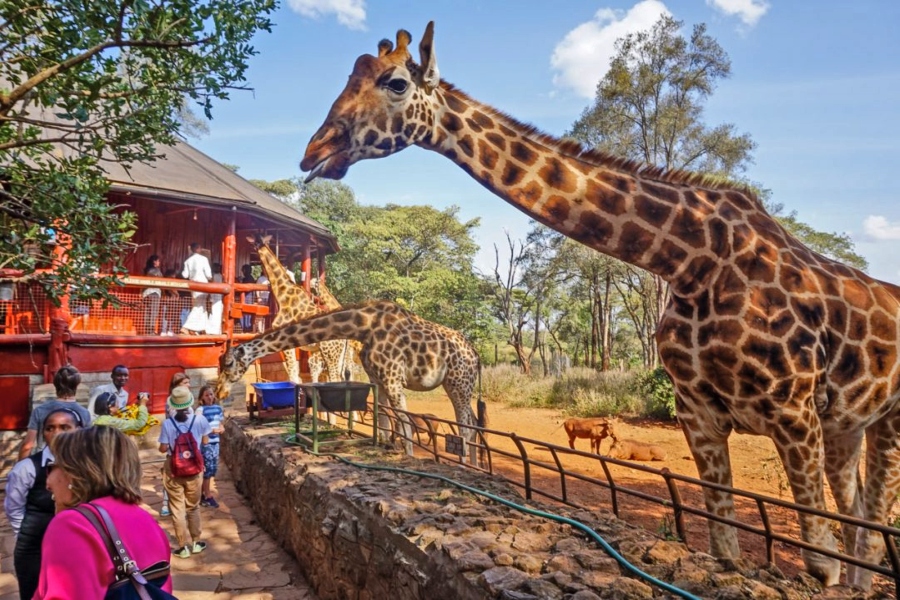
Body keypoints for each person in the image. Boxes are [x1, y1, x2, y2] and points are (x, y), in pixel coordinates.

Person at [33, 427, 173, 599]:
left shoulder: (71, 524)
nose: (48, 482)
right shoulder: (146, 520)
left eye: (52, 466)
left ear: (76, 473)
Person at [5, 407, 85, 600]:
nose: (56, 433)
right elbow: (14, 507)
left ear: (79, 430)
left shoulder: (88, 466)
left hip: (78, 544)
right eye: (50, 428)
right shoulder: (27, 468)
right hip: (34, 547)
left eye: (65, 427)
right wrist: (26, 533)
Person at [158, 386, 212, 559]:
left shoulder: (168, 423)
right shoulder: (200, 420)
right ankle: (196, 542)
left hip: (174, 469)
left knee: (177, 508)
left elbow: (163, 448)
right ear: (190, 402)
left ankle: (183, 547)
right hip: (194, 469)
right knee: (193, 507)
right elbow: (205, 441)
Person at [17, 365, 92, 460]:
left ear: (55, 384)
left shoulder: (40, 410)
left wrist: (20, 467)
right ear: (77, 385)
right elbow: (87, 445)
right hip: (72, 463)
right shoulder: (84, 413)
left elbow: (27, 446)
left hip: (44, 464)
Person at [159, 373, 193, 517]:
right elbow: (176, 420)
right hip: (175, 443)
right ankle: (166, 504)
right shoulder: (171, 401)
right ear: (178, 385)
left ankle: (182, 503)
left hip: (186, 444)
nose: (188, 385)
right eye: (185, 382)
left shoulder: (188, 398)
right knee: (170, 476)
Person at [197, 385, 223, 508]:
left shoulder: (218, 409)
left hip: (216, 442)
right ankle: (207, 495)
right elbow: (198, 427)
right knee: (207, 468)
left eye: (211, 394)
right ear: (201, 397)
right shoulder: (200, 410)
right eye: (206, 395)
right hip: (206, 443)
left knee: (212, 468)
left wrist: (221, 429)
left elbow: (221, 424)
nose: (209, 397)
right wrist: (210, 431)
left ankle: (204, 493)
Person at [181, 242, 211, 335]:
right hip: (203, 285)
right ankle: (186, 327)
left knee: (200, 306)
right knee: (199, 307)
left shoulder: (187, 261)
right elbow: (209, 275)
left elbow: (185, 275)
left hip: (193, 286)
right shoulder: (204, 259)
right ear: (199, 249)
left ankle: (203, 328)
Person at [206, 262, 224, 335]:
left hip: (217, 296)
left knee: (216, 313)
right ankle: (212, 329)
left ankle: (215, 330)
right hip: (215, 296)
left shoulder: (219, 276)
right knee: (213, 313)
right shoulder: (217, 276)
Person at [240, 263, 255, 332]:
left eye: (243, 270)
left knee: (245, 313)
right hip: (250, 297)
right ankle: (247, 328)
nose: (242, 272)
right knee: (248, 314)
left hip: (246, 297)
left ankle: (245, 328)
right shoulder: (251, 278)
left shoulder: (247, 278)